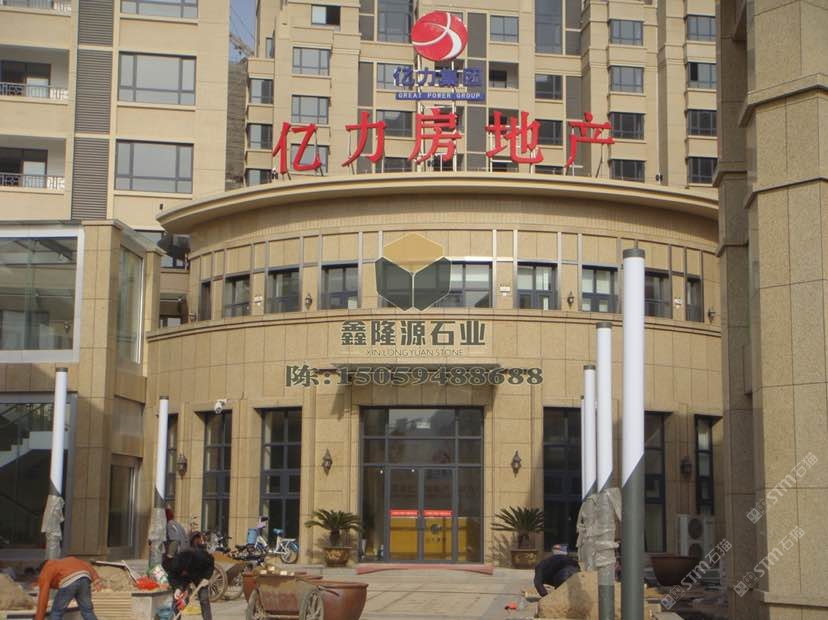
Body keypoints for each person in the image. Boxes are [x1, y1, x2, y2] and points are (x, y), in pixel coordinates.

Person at [35, 556, 102, 620]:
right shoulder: (67, 561)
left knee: (56, 612)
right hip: (85, 578)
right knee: (87, 611)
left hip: (69, 580)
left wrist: (39, 618)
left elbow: (43, 598)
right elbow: (87, 564)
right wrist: (96, 579)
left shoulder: (46, 569)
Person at [162, 547, 214, 620]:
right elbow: (173, 578)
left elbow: (211, 561)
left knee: (204, 598)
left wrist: (207, 577)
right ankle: (176, 618)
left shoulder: (199, 557)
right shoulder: (174, 566)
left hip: (200, 575)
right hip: (184, 578)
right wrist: (178, 588)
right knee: (177, 599)